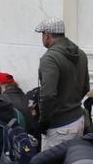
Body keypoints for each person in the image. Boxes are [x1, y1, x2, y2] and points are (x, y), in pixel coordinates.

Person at [35, 17, 90, 149]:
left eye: (42, 34)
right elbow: (85, 87)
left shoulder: (49, 58)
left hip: (59, 126)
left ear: (47, 35)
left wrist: (44, 121)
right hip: (78, 119)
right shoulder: (81, 54)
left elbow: (48, 95)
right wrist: (71, 103)